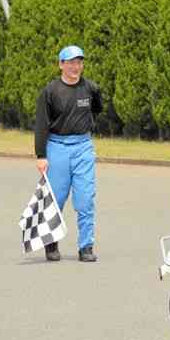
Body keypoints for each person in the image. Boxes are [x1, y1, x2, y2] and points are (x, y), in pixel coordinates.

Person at [34, 46, 102, 262]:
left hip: (83, 147)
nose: (76, 67)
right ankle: (51, 244)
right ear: (61, 64)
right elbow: (41, 125)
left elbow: (97, 109)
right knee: (56, 199)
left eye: (79, 62)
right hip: (57, 147)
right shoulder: (50, 91)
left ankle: (86, 247)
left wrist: (86, 126)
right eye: (71, 62)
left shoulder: (90, 88)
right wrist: (41, 155)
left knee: (85, 200)